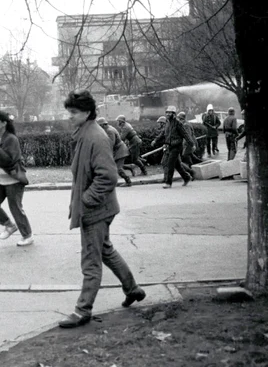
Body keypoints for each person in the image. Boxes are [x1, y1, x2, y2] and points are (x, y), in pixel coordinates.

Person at [58, 90, 145, 329]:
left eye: (74, 112)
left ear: (87, 112)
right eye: (69, 112)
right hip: (100, 208)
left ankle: (82, 310)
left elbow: (107, 177)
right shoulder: (86, 133)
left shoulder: (94, 137)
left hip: (96, 210)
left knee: (91, 260)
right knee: (106, 251)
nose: (70, 116)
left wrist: (85, 201)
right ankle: (133, 289)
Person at [0, 110, 33, 247]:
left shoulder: (11, 139)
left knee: (15, 208)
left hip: (13, 180)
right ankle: (9, 225)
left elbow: (10, 161)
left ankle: (27, 235)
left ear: (4, 123)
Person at [152, 106, 193, 189]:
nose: (167, 114)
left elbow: (185, 134)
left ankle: (168, 183)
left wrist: (191, 144)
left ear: (173, 114)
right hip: (169, 146)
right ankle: (186, 177)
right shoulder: (168, 123)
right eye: (167, 112)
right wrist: (155, 140)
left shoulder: (178, 123)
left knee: (170, 164)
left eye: (170, 112)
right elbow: (163, 133)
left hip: (176, 146)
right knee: (177, 165)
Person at [97, 117, 132, 187]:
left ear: (103, 125)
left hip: (120, 150)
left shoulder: (109, 131)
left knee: (118, 168)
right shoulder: (107, 129)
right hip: (118, 150)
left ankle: (128, 181)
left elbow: (111, 143)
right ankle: (130, 167)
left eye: (99, 125)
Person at [177, 112, 198, 179]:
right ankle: (200, 164)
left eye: (179, 118)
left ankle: (192, 171)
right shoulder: (184, 124)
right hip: (189, 142)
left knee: (185, 155)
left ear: (182, 118)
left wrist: (187, 144)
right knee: (191, 155)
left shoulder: (186, 125)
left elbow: (188, 136)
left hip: (189, 143)